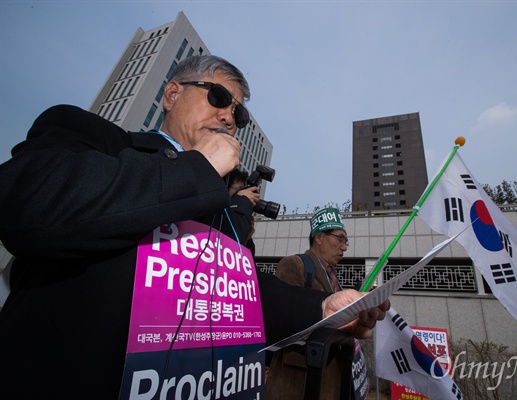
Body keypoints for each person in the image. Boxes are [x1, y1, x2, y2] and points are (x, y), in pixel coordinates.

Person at [0, 55, 389, 398]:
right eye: (219, 98)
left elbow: (239, 292)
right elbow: (29, 203)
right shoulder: (94, 138)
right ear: (172, 94)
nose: (228, 118)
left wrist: (321, 307)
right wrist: (197, 169)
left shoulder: (214, 206)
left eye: (238, 114)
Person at [266, 207, 358, 399]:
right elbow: (280, 322)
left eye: (346, 241)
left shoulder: (335, 279)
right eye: (340, 238)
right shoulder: (294, 264)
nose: (344, 247)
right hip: (297, 383)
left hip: (333, 380)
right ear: (319, 237)